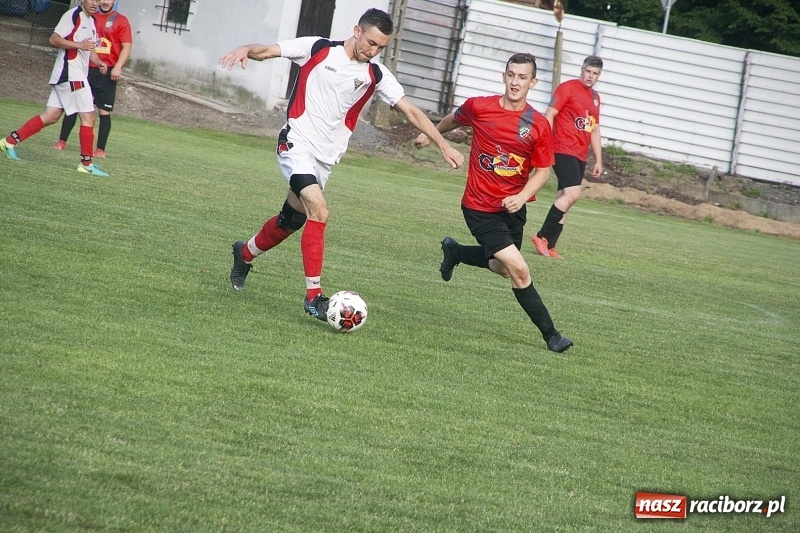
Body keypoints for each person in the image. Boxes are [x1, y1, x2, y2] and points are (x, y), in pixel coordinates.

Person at [219, 8, 464, 321]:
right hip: (296, 143)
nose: (372, 50)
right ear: (357, 30)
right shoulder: (318, 48)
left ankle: (244, 253)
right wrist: (245, 49)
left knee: (290, 221)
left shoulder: (375, 75)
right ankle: (314, 298)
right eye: (370, 42)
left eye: (380, 47)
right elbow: (269, 50)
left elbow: (411, 112)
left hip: (325, 159)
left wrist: (442, 144)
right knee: (319, 211)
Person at [415, 53, 573, 353]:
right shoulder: (480, 107)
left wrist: (522, 196)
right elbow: (454, 117)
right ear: (504, 76)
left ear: (533, 82)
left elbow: (542, 172)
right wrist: (430, 136)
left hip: (513, 209)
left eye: (522, 77)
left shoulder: (538, 124)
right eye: (511, 75)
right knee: (520, 270)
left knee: (502, 267)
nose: (515, 81)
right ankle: (552, 336)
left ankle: (456, 251)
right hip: (479, 206)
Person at [0, 0, 109, 177]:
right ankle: (86, 164)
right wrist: (78, 45)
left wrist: (99, 63)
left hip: (69, 76)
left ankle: (9, 142)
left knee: (50, 116)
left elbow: (90, 50)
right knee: (89, 116)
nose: (96, 3)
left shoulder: (92, 21)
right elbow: (54, 39)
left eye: (99, 0)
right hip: (70, 75)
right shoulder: (73, 15)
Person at [532, 55, 603, 259]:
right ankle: (541, 236)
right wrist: (546, 141)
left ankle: (550, 245)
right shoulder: (567, 88)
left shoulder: (595, 98)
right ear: (582, 70)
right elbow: (550, 114)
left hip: (580, 154)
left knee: (565, 199)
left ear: (599, 76)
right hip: (562, 148)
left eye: (595, 73)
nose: (590, 76)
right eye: (588, 71)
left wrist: (598, 160)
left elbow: (595, 130)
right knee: (572, 195)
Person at [54, 0, 132, 159]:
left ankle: (100, 149)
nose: (104, 2)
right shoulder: (88, 17)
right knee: (75, 104)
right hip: (84, 69)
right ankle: (62, 141)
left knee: (104, 111)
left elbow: (127, 46)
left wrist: (118, 67)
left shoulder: (121, 20)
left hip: (106, 71)